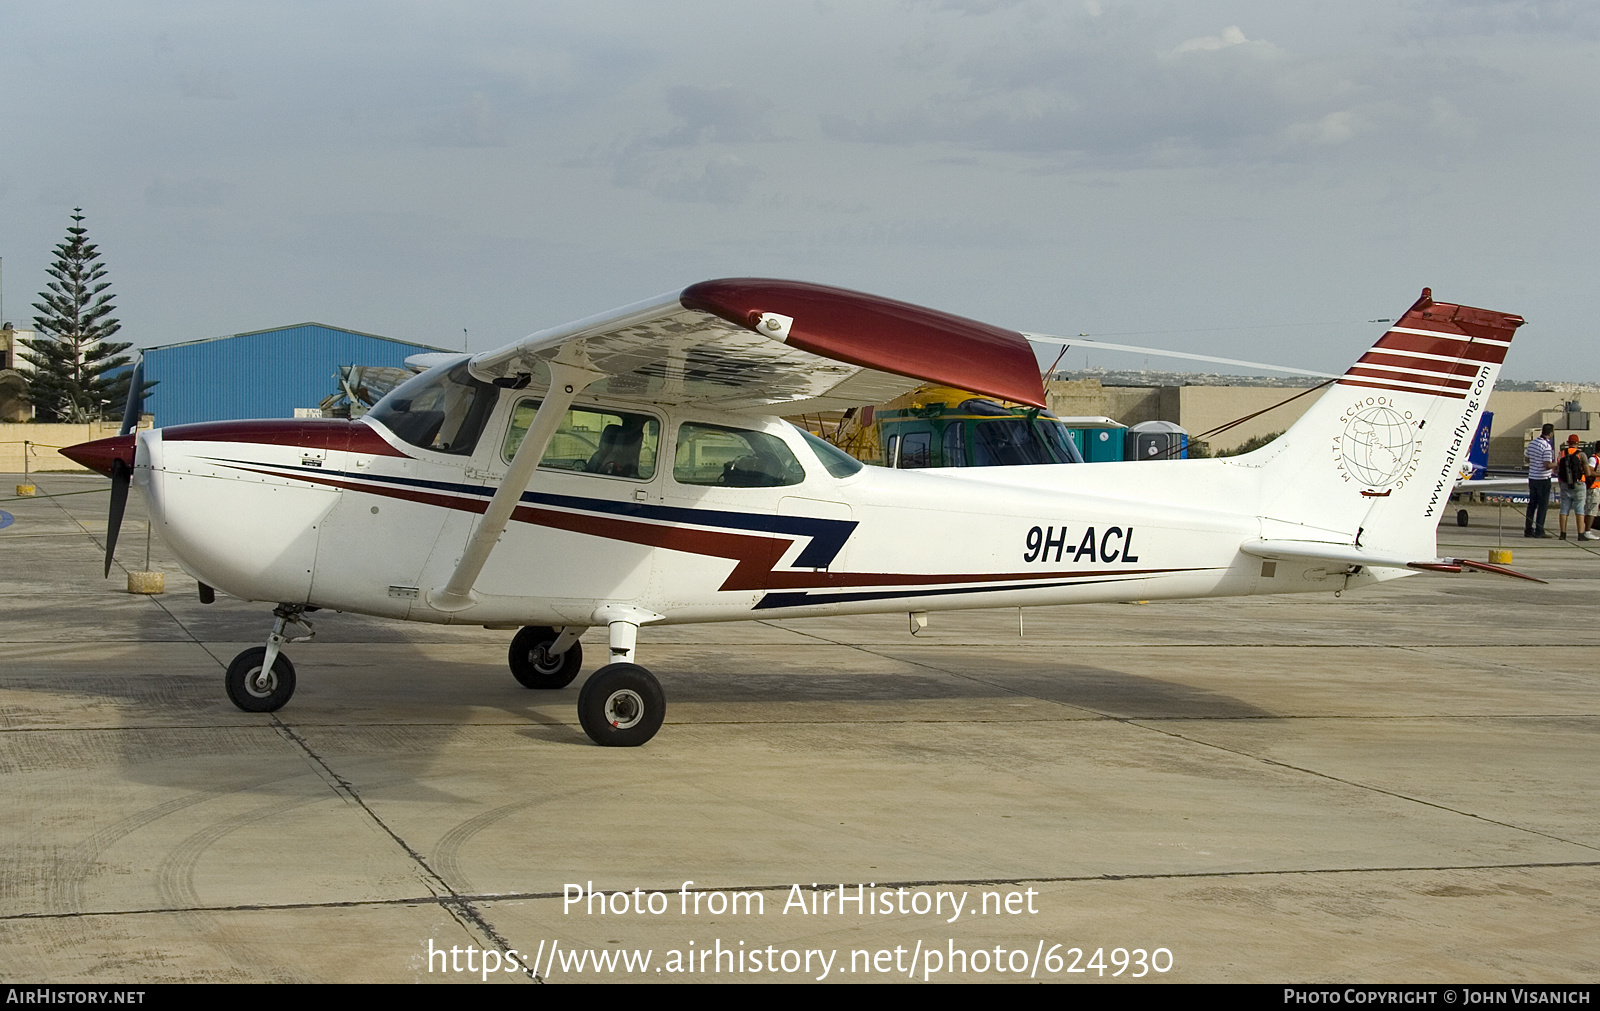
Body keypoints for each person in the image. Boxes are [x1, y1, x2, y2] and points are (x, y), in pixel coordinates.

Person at [1555, 433, 1590, 539]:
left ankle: (1563, 534)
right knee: (1579, 509)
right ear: (1577, 443)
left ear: (1567, 443)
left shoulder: (1561, 454)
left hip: (1565, 484)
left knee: (1564, 509)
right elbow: (1588, 472)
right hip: (1579, 484)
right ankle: (1580, 534)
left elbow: (1558, 470)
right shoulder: (1581, 454)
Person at [1525, 423, 1555, 538]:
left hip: (1532, 477)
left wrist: (1535, 462)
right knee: (1542, 506)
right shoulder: (1546, 447)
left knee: (1532, 504)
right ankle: (1539, 530)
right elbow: (1547, 465)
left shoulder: (1532, 443)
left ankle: (1528, 529)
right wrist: (1557, 464)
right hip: (1543, 478)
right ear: (1551, 433)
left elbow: (1527, 458)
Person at [1584, 440, 1600, 541]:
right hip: (1594, 488)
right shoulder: (1593, 459)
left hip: (1598, 487)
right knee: (1591, 509)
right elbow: (1589, 472)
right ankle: (1587, 531)